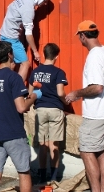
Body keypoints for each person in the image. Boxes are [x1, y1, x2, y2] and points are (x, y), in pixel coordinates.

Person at [65, 20, 104, 192]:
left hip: (96, 114)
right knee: (103, 152)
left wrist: (76, 94)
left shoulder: (93, 56)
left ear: (83, 36)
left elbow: (97, 87)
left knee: (86, 151)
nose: (80, 40)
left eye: (79, 37)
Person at [0, 41, 42, 192]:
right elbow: (21, 107)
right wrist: (34, 96)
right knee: (24, 173)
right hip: (13, 133)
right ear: (10, 55)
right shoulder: (14, 77)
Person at [28, 43, 68, 183]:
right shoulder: (59, 72)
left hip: (40, 110)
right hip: (55, 109)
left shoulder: (35, 72)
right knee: (53, 144)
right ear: (56, 56)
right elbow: (60, 92)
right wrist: (66, 101)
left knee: (43, 144)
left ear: (44, 54)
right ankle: (54, 177)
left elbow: (30, 93)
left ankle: (42, 176)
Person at [0, 0, 52, 82]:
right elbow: (28, 34)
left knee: (10, 64)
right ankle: (17, 91)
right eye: (45, 1)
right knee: (25, 64)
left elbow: (9, 8)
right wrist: (35, 52)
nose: (45, 4)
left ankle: (5, 89)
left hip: (3, 35)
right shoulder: (29, 10)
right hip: (12, 38)